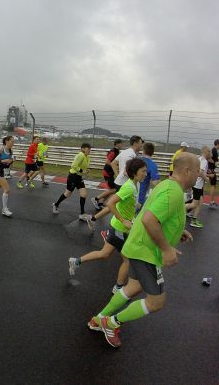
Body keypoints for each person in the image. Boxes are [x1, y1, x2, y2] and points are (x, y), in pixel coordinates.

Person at [86, 153, 197, 348]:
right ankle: (110, 323)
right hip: (146, 252)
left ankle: (99, 319)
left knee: (133, 287)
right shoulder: (174, 192)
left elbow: (155, 214)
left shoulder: (166, 185)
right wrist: (166, 249)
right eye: (197, 171)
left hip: (138, 246)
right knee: (156, 302)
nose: (200, 175)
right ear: (187, 171)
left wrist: (178, 230)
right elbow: (149, 220)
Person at [69, 158, 148, 294]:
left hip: (117, 227)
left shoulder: (137, 185)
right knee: (127, 260)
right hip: (120, 229)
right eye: (143, 171)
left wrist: (137, 209)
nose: (145, 174)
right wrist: (124, 220)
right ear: (135, 173)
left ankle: (76, 261)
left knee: (104, 254)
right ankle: (118, 287)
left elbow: (129, 204)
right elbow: (110, 203)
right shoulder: (129, 187)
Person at [52, 143, 91, 222]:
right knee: (67, 194)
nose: (90, 150)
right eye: (88, 148)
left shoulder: (87, 156)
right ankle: (55, 205)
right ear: (83, 148)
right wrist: (82, 170)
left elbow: (83, 166)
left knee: (84, 194)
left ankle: (82, 214)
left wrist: (86, 170)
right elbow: (73, 165)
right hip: (73, 176)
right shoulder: (80, 155)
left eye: (90, 149)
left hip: (79, 177)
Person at [92, 139, 124, 210]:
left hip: (110, 172)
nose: (122, 145)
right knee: (113, 189)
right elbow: (107, 161)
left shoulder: (117, 151)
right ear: (117, 144)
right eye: (121, 144)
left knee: (111, 189)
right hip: (107, 172)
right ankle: (96, 199)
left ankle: (100, 202)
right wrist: (114, 166)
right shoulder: (113, 151)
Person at [186, 146, 212, 228]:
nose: (210, 154)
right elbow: (200, 172)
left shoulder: (199, 158)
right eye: (209, 152)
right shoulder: (204, 161)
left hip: (197, 184)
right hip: (197, 185)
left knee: (200, 202)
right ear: (206, 152)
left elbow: (198, 171)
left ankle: (193, 218)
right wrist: (206, 178)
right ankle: (179, 209)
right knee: (194, 204)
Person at [138, 142, 161, 208]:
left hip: (128, 190)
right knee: (137, 215)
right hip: (140, 195)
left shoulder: (135, 159)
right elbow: (156, 183)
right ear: (153, 152)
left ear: (143, 150)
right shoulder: (152, 165)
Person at [209, 139, 218, 208]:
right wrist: (214, 163)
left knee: (214, 185)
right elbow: (208, 158)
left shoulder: (215, 150)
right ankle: (211, 202)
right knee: (213, 185)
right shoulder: (214, 150)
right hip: (210, 170)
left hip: (212, 170)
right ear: (217, 144)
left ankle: (212, 201)